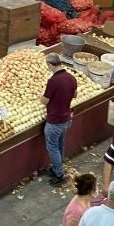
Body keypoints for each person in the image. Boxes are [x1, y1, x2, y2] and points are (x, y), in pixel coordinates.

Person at [39, 54, 77, 187]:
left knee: (52, 147)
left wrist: (40, 96)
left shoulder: (53, 81)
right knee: (60, 144)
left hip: (55, 121)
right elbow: (75, 95)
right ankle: (57, 168)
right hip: (66, 118)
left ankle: (59, 175)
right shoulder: (72, 78)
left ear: (50, 65)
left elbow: (45, 101)